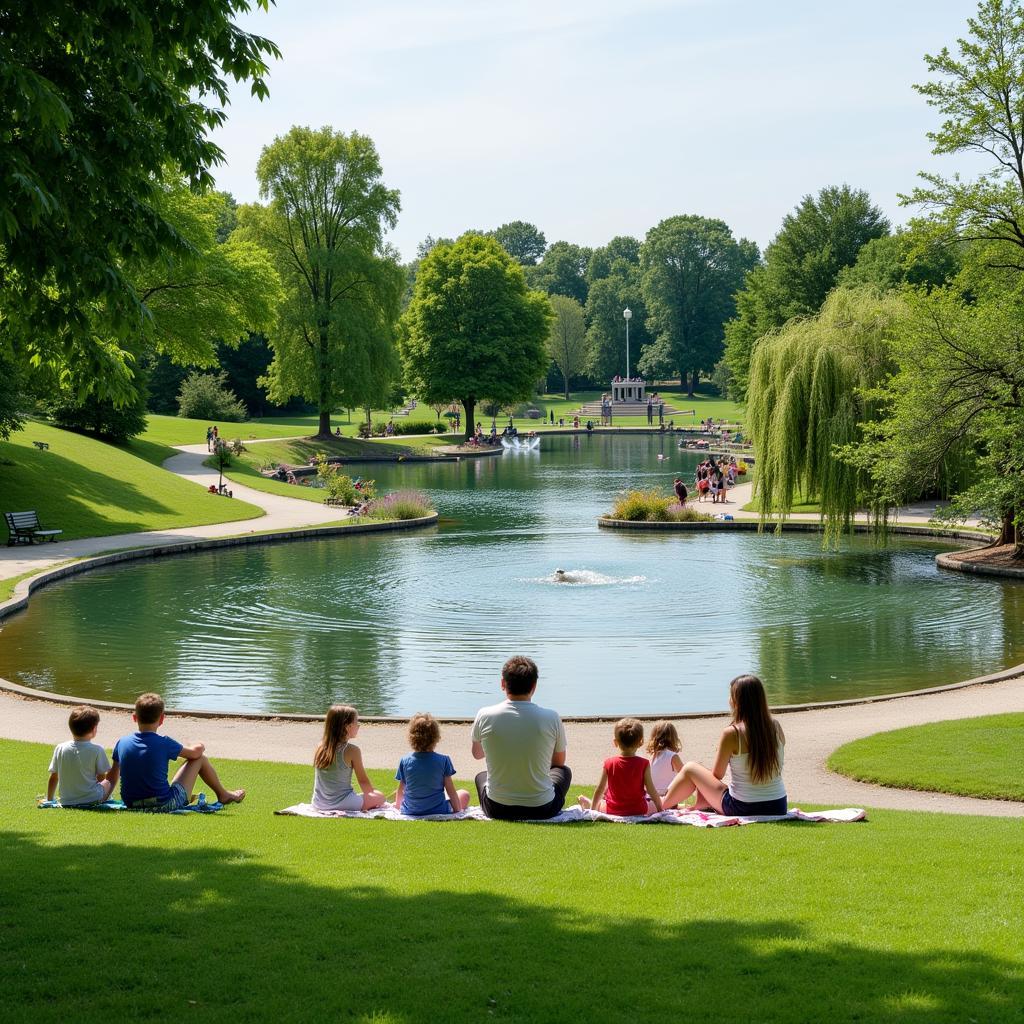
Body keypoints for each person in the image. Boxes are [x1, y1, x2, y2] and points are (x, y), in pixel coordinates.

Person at [662, 674, 787, 816]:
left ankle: (662, 804)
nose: (729, 700)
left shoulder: (732, 733)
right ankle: (698, 804)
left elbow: (717, 774)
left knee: (690, 768)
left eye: (731, 696)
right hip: (778, 805)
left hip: (742, 807)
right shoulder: (776, 727)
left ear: (737, 701)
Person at [471, 655, 572, 821]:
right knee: (564, 772)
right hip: (542, 808)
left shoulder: (484, 714)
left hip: (497, 808)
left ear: (503, 684)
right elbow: (558, 763)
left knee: (481, 776)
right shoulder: (551, 717)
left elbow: (477, 754)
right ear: (534, 686)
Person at [111, 693, 245, 811]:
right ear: (162, 719)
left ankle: (224, 794)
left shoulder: (122, 742)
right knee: (200, 759)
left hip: (131, 804)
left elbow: (111, 778)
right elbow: (195, 754)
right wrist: (200, 745)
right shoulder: (164, 742)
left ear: (134, 718)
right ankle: (223, 794)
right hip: (163, 804)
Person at [578, 718, 663, 816]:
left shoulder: (609, 763)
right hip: (639, 809)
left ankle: (588, 804)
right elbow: (651, 790)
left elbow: (600, 789)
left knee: (600, 804)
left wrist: (592, 811)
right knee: (656, 803)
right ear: (641, 742)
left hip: (613, 810)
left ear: (615, 742)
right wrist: (660, 809)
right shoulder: (644, 763)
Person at [312, 704, 386, 813]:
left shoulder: (320, 746)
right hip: (344, 803)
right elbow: (363, 782)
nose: (359, 725)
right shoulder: (353, 750)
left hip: (319, 803)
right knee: (380, 796)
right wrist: (374, 798)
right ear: (348, 727)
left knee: (370, 797)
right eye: (357, 722)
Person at [394, 713, 470, 816]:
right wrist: (457, 811)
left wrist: (398, 808)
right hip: (438, 809)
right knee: (464, 794)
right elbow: (450, 790)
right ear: (436, 737)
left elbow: (401, 790)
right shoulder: (443, 760)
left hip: (411, 810)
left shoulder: (405, 761)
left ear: (411, 737)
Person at [46, 705, 115, 806]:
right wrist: (105, 796)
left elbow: (54, 777)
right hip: (93, 798)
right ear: (94, 729)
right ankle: (107, 799)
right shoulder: (97, 750)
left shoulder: (60, 748)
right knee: (109, 780)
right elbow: (101, 777)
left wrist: (50, 799)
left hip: (67, 800)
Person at [645, 721, 683, 803]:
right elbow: (684, 775)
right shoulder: (672, 756)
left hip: (650, 797)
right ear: (674, 738)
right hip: (666, 797)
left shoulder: (651, 756)